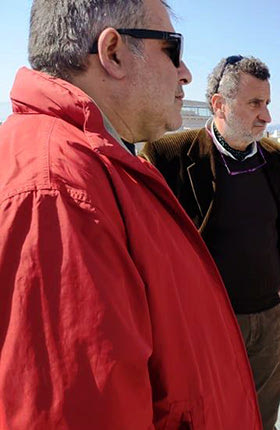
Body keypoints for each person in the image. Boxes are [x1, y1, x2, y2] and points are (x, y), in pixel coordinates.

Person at [0, 1, 262, 428]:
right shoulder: (59, 193)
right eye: (173, 50)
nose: (185, 73)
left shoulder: (94, 167)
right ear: (114, 53)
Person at [141, 55, 280, 430]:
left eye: (267, 103)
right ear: (219, 104)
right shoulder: (168, 157)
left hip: (267, 318)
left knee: (262, 418)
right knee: (205, 417)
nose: (266, 116)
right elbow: (151, 244)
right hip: (202, 323)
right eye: (254, 103)